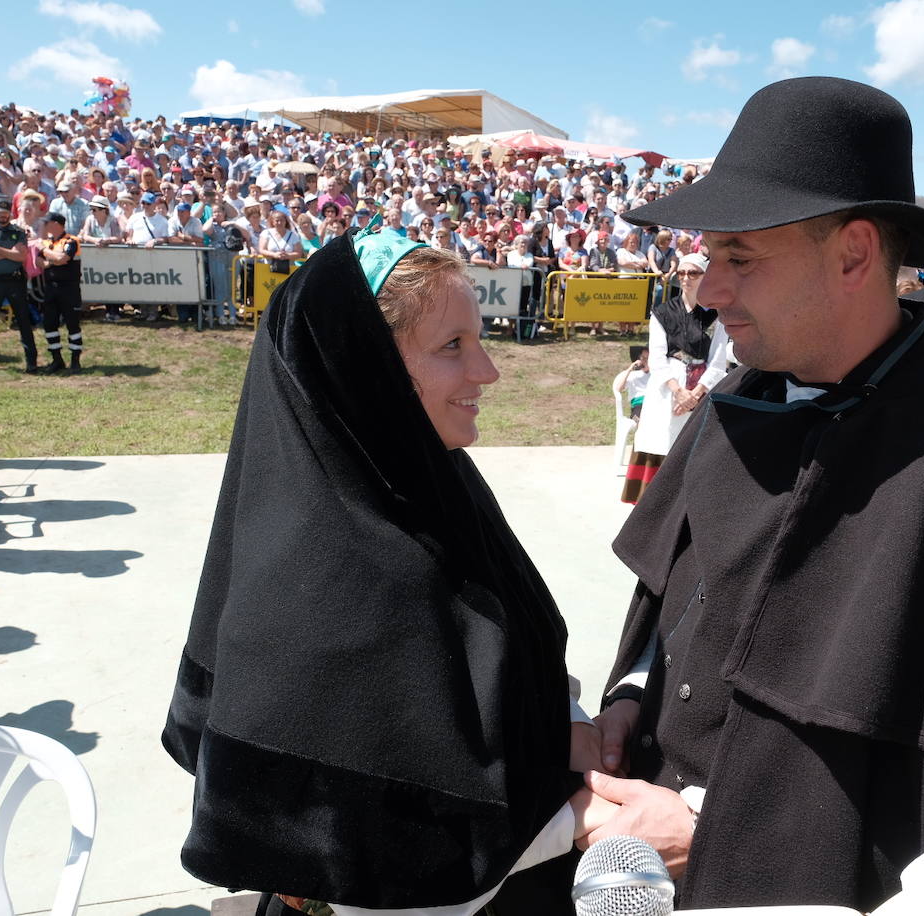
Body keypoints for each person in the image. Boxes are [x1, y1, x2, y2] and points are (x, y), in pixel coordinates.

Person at [571, 77, 924, 912]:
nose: (709, 292)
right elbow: (672, 597)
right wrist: (629, 695)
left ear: (852, 255)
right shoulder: (735, 409)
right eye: (709, 259)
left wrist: (710, 825)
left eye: (740, 258)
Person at [163, 228, 612, 915]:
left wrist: (561, 729)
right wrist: (584, 819)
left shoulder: (437, 494)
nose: (487, 371)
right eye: (452, 346)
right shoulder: (331, 588)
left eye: (479, 338)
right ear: (364, 368)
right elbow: (387, 862)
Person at [620, 253, 730, 504]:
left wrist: (695, 393)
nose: (686, 278)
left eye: (693, 273)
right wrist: (678, 391)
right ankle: (653, 508)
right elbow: (657, 358)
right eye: (682, 273)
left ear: (705, 276)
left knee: (693, 447)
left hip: (702, 390)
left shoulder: (717, 315)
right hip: (666, 389)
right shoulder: (662, 312)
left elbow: (718, 358)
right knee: (661, 441)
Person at [0, 198, 39, 373]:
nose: (3, 217)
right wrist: (10, 253)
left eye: (6, 214)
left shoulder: (17, 231)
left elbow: (21, 257)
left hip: (15, 280)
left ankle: (31, 361)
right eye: (0, 214)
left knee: (24, 321)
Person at [36, 213, 84, 374]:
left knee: (72, 324)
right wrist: (52, 260)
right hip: (51, 288)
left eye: (47, 223)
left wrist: (45, 251)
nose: (44, 226)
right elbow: (38, 262)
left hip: (69, 289)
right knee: (50, 324)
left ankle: (75, 360)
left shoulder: (72, 240)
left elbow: (63, 258)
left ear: (56, 224)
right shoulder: (48, 242)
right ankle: (57, 359)